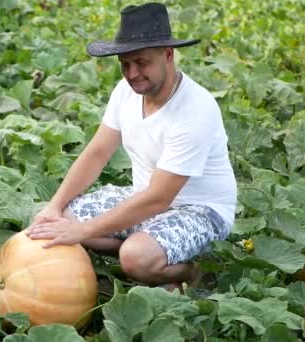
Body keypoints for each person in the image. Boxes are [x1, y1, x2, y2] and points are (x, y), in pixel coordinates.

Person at [25, 2, 237, 291]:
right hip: (143, 198)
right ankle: (155, 256)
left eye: (142, 62)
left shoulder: (195, 110)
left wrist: (82, 231)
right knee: (56, 221)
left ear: (168, 54)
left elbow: (158, 199)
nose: (132, 73)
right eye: (125, 64)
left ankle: (192, 271)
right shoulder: (125, 91)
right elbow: (97, 153)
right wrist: (54, 205)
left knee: (134, 257)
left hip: (200, 212)